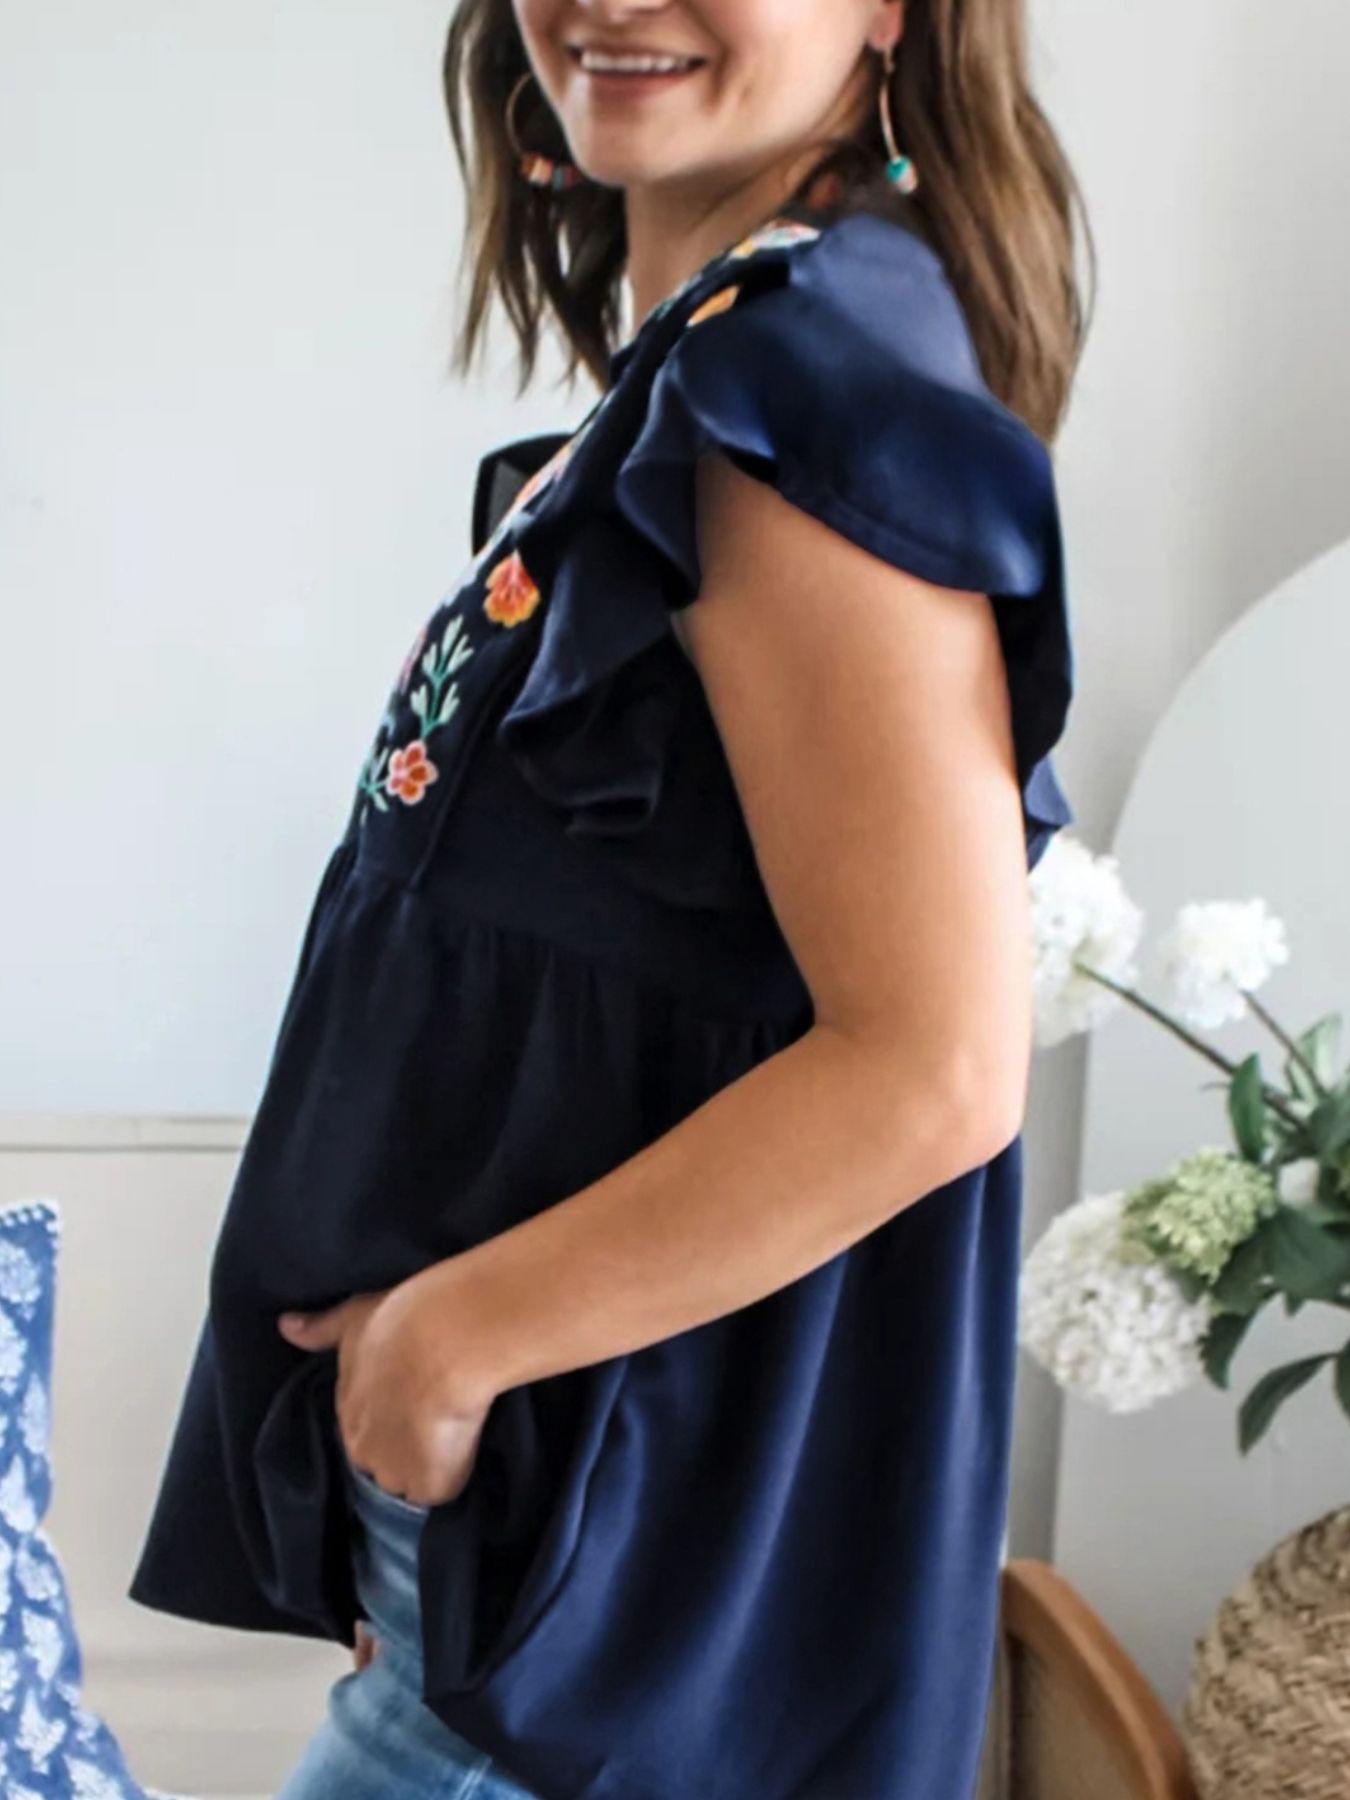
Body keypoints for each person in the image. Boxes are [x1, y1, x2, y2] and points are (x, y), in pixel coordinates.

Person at [127, 0, 1090, 1795]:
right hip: (547, 1564)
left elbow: (933, 1066)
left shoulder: (800, 385)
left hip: (595, 1603)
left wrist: (443, 1348)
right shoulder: (720, 368)